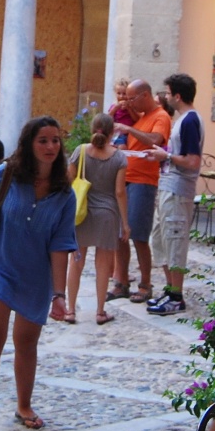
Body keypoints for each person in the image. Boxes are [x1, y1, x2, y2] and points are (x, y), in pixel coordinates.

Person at [0, 116, 78, 431]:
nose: (51, 146)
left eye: (55, 140)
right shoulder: (7, 174)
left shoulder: (65, 193)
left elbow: (61, 246)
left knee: (26, 341)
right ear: (29, 144)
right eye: (43, 140)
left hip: (36, 276)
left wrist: (59, 294)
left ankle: (24, 404)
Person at [145, 73, 202, 316]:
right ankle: (170, 290)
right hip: (168, 187)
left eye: (168, 93)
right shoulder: (181, 121)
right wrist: (164, 155)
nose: (165, 97)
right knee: (161, 239)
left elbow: (192, 161)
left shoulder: (190, 121)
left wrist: (166, 156)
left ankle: (176, 296)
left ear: (178, 96)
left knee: (175, 240)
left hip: (179, 190)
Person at [64, 113, 128, 324]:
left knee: (76, 262)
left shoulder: (81, 151)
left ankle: (70, 310)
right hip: (108, 215)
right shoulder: (119, 157)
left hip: (81, 212)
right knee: (103, 265)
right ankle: (100, 311)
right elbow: (120, 192)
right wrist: (125, 223)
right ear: (112, 133)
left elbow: (68, 180)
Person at [113, 78, 172, 303]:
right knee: (120, 234)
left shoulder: (160, 116)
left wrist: (129, 129)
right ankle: (121, 282)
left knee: (138, 235)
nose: (129, 102)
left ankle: (145, 284)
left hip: (143, 181)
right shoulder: (141, 116)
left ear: (145, 95)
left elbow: (155, 140)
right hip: (125, 178)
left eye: (132, 98)